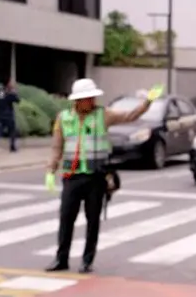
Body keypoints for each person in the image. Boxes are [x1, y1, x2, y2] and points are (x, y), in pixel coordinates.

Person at [44, 79, 162, 274]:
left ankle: (87, 260)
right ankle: (61, 259)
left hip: (95, 177)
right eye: (85, 98)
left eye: (92, 97)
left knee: (93, 220)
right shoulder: (63, 118)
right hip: (72, 176)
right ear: (77, 100)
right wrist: (50, 170)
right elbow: (57, 147)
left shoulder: (103, 115)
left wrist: (147, 102)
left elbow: (131, 115)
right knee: (66, 219)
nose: (90, 101)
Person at [0, 80, 20, 153]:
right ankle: (12, 146)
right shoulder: (10, 92)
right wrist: (15, 92)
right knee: (12, 131)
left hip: (0, 113)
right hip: (9, 115)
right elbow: (17, 100)